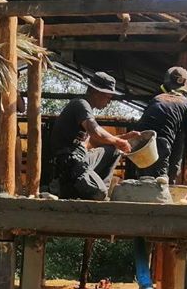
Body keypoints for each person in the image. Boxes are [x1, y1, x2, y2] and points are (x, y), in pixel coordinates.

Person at [50, 72, 138, 200]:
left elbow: (94, 142)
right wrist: (118, 140)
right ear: (96, 92)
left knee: (114, 151)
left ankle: (95, 187)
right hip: (69, 162)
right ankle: (64, 185)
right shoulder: (80, 104)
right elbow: (95, 131)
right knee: (98, 192)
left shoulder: (85, 110)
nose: (109, 102)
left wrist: (123, 137)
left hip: (81, 159)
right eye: (108, 97)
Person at [131, 66, 187, 181]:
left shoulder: (157, 98)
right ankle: (167, 184)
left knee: (144, 177)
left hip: (138, 143)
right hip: (161, 142)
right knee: (161, 181)